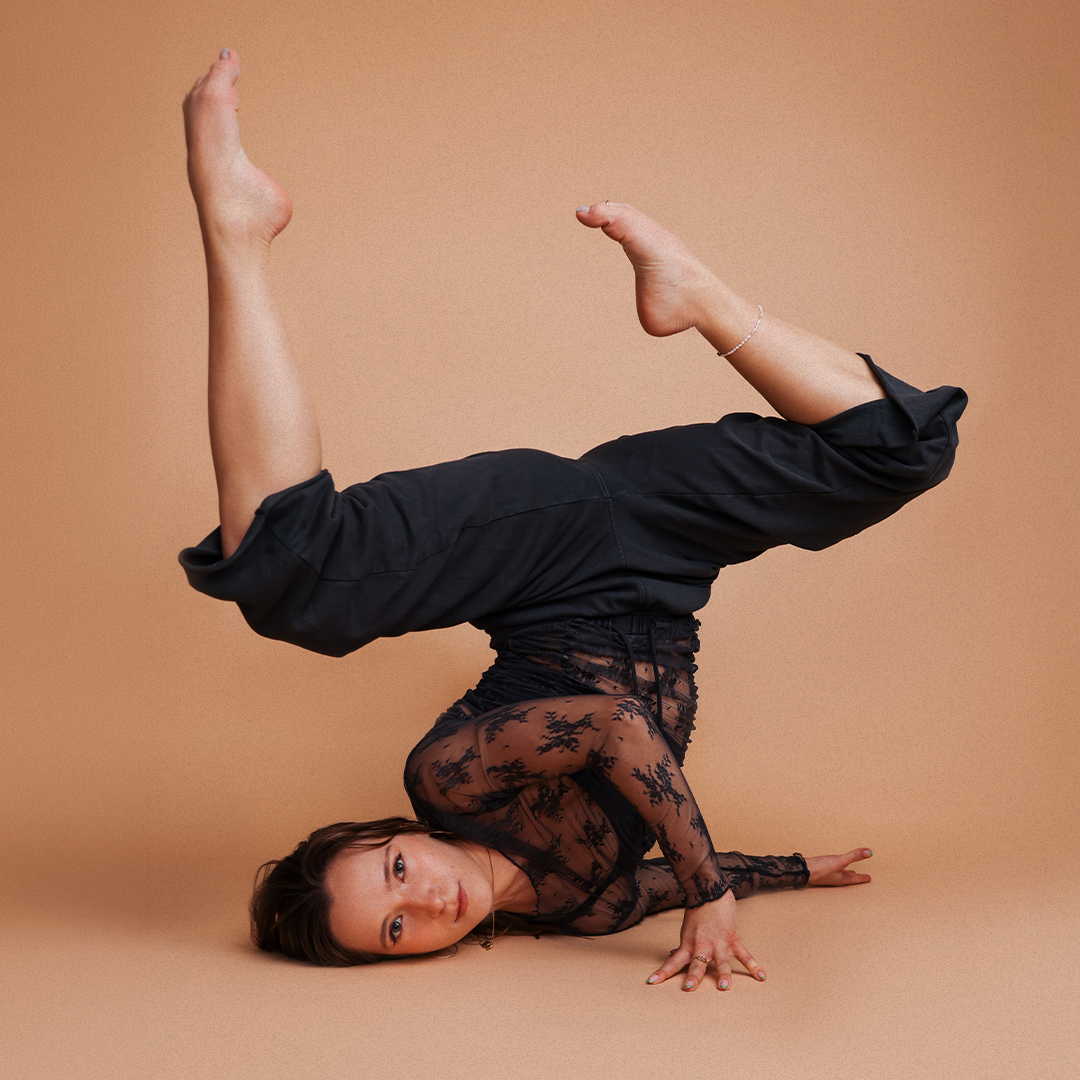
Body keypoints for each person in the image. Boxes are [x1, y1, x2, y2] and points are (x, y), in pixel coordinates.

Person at [179, 50, 967, 992]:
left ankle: (236, 228)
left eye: (396, 870)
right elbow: (669, 882)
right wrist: (796, 870)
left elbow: (617, 728)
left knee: (298, 582)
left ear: (396, 833)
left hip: (551, 550)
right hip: (657, 557)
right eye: (393, 929)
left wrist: (708, 890)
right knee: (900, 451)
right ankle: (698, 298)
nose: (423, 900)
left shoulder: (448, 779)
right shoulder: (583, 908)